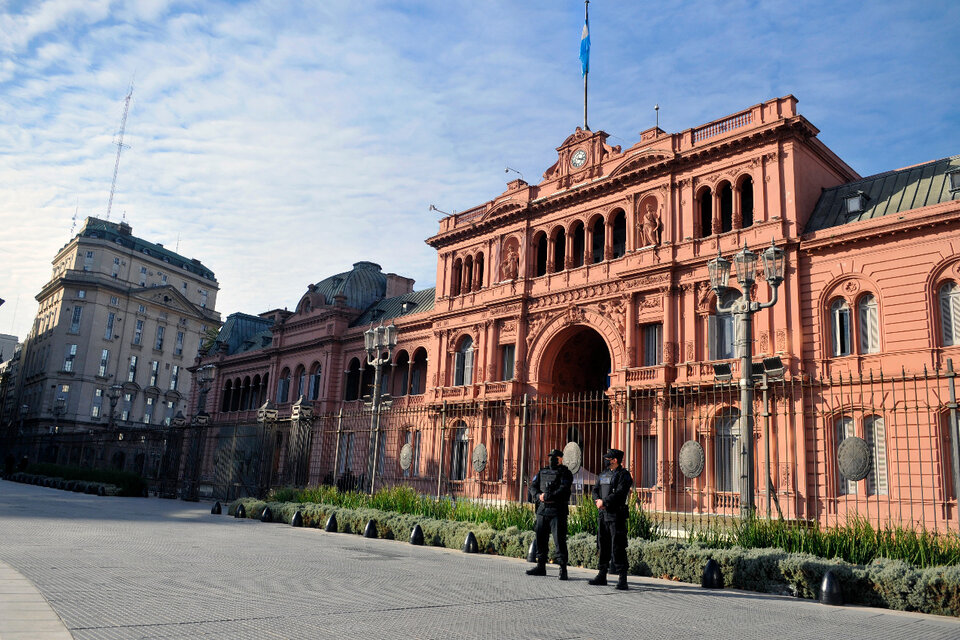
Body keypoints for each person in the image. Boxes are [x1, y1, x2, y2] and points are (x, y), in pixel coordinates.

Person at [525, 448, 573, 580]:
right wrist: (539, 495)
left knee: (559, 540)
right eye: (550, 456)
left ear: (561, 459)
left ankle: (563, 569)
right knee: (541, 539)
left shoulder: (565, 473)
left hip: (557, 511)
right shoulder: (542, 471)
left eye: (555, 457)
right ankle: (541, 566)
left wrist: (548, 496)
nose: (552, 459)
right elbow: (532, 486)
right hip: (542, 510)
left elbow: (564, 489)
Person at [589, 448, 634, 590]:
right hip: (603, 515)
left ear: (615, 460)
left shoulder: (624, 475)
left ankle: (622, 579)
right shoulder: (603, 474)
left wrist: (605, 502)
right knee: (603, 545)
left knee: (618, 546)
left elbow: (620, 494)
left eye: (608, 459)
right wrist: (597, 500)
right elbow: (595, 490)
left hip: (616, 516)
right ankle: (602, 574)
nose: (606, 460)